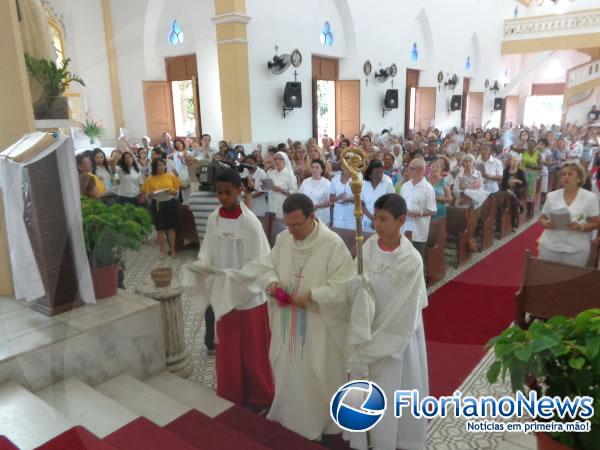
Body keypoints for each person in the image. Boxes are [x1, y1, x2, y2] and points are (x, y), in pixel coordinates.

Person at [216, 194, 354, 442]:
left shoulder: (332, 245)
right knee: (287, 367)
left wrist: (312, 295)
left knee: (316, 371)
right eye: (287, 225)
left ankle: (321, 423)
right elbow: (267, 266)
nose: (291, 231)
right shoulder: (283, 240)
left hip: (318, 323)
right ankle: (287, 414)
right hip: (287, 320)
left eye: (296, 225)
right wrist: (272, 284)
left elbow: (344, 285)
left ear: (312, 217)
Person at [182, 169, 274, 409]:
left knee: (253, 352)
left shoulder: (250, 222)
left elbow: (262, 262)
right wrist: (202, 267)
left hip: (247, 296)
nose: (223, 197)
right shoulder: (214, 218)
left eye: (228, 192)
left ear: (240, 191)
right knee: (229, 350)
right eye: (219, 192)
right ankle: (232, 394)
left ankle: (260, 396)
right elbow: (208, 251)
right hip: (223, 294)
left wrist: (235, 276)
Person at [346, 194, 429, 450]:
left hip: (397, 337)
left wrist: (383, 340)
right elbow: (352, 281)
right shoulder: (368, 248)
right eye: (375, 218)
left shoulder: (411, 259)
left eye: (383, 219)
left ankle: (393, 441)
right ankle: (363, 438)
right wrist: (356, 287)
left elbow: (409, 306)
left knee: (394, 390)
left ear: (401, 220)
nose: (377, 224)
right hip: (367, 328)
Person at [538, 162, 599, 267]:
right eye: (563, 174)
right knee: (547, 277)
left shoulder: (590, 197)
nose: (566, 176)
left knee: (570, 280)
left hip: (576, 249)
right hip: (550, 245)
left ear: (579, 179)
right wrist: (546, 223)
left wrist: (580, 226)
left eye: (570, 174)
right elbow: (542, 218)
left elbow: (596, 222)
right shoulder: (552, 196)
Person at [142, 158, 180, 258]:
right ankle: (162, 251)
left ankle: (172, 249)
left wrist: (171, 191)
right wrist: (151, 194)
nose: (161, 167)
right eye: (159, 165)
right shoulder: (149, 179)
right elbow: (147, 195)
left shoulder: (170, 177)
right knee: (160, 229)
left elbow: (176, 192)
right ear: (154, 167)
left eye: (163, 164)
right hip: (157, 204)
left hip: (170, 203)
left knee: (171, 228)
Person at [400, 158, 437, 261]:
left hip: (419, 230)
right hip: (404, 228)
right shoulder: (405, 186)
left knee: (416, 259)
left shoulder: (428, 188)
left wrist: (419, 213)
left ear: (420, 170)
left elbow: (433, 210)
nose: (408, 171)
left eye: (411, 168)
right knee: (404, 258)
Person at [361, 160, 395, 233]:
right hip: (367, 220)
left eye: (381, 172)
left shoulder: (388, 183)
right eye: (376, 173)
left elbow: (391, 205)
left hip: (383, 220)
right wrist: (372, 218)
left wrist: (378, 219)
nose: (380, 175)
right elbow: (361, 204)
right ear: (370, 174)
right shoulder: (364, 184)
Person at [299, 159, 331, 225]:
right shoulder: (305, 181)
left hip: (322, 218)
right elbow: (299, 198)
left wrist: (318, 206)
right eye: (312, 167)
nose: (314, 169)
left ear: (322, 170)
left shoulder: (327, 183)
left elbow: (331, 202)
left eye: (317, 167)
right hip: (306, 216)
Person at [266, 151, 298, 218]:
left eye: (280, 159)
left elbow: (294, 193)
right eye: (275, 159)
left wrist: (281, 190)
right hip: (272, 203)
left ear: (285, 160)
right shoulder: (271, 173)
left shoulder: (290, 175)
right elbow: (267, 188)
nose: (277, 161)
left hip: (284, 204)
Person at [501, 155, 527, 230]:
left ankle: (514, 223)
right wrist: (508, 183)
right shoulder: (505, 171)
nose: (514, 163)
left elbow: (524, 184)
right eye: (513, 161)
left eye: (516, 161)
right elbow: (503, 183)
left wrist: (517, 181)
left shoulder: (520, 171)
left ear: (518, 163)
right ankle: (520, 205)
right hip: (507, 190)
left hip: (517, 191)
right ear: (510, 162)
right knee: (506, 197)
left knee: (514, 202)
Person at [330, 163, 357, 230]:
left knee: (351, 237)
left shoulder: (357, 179)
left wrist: (348, 199)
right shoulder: (335, 179)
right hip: (338, 215)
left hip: (351, 215)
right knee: (338, 236)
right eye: (346, 166)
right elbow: (331, 198)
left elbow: (360, 198)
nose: (348, 168)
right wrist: (338, 197)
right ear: (342, 167)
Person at [521, 139, 542, 218]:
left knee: (531, 194)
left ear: (535, 145)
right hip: (523, 174)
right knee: (523, 192)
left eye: (531, 144)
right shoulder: (524, 152)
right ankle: (523, 209)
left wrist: (532, 166)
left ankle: (530, 211)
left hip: (532, 175)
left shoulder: (538, 154)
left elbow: (540, 167)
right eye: (528, 144)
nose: (529, 145)